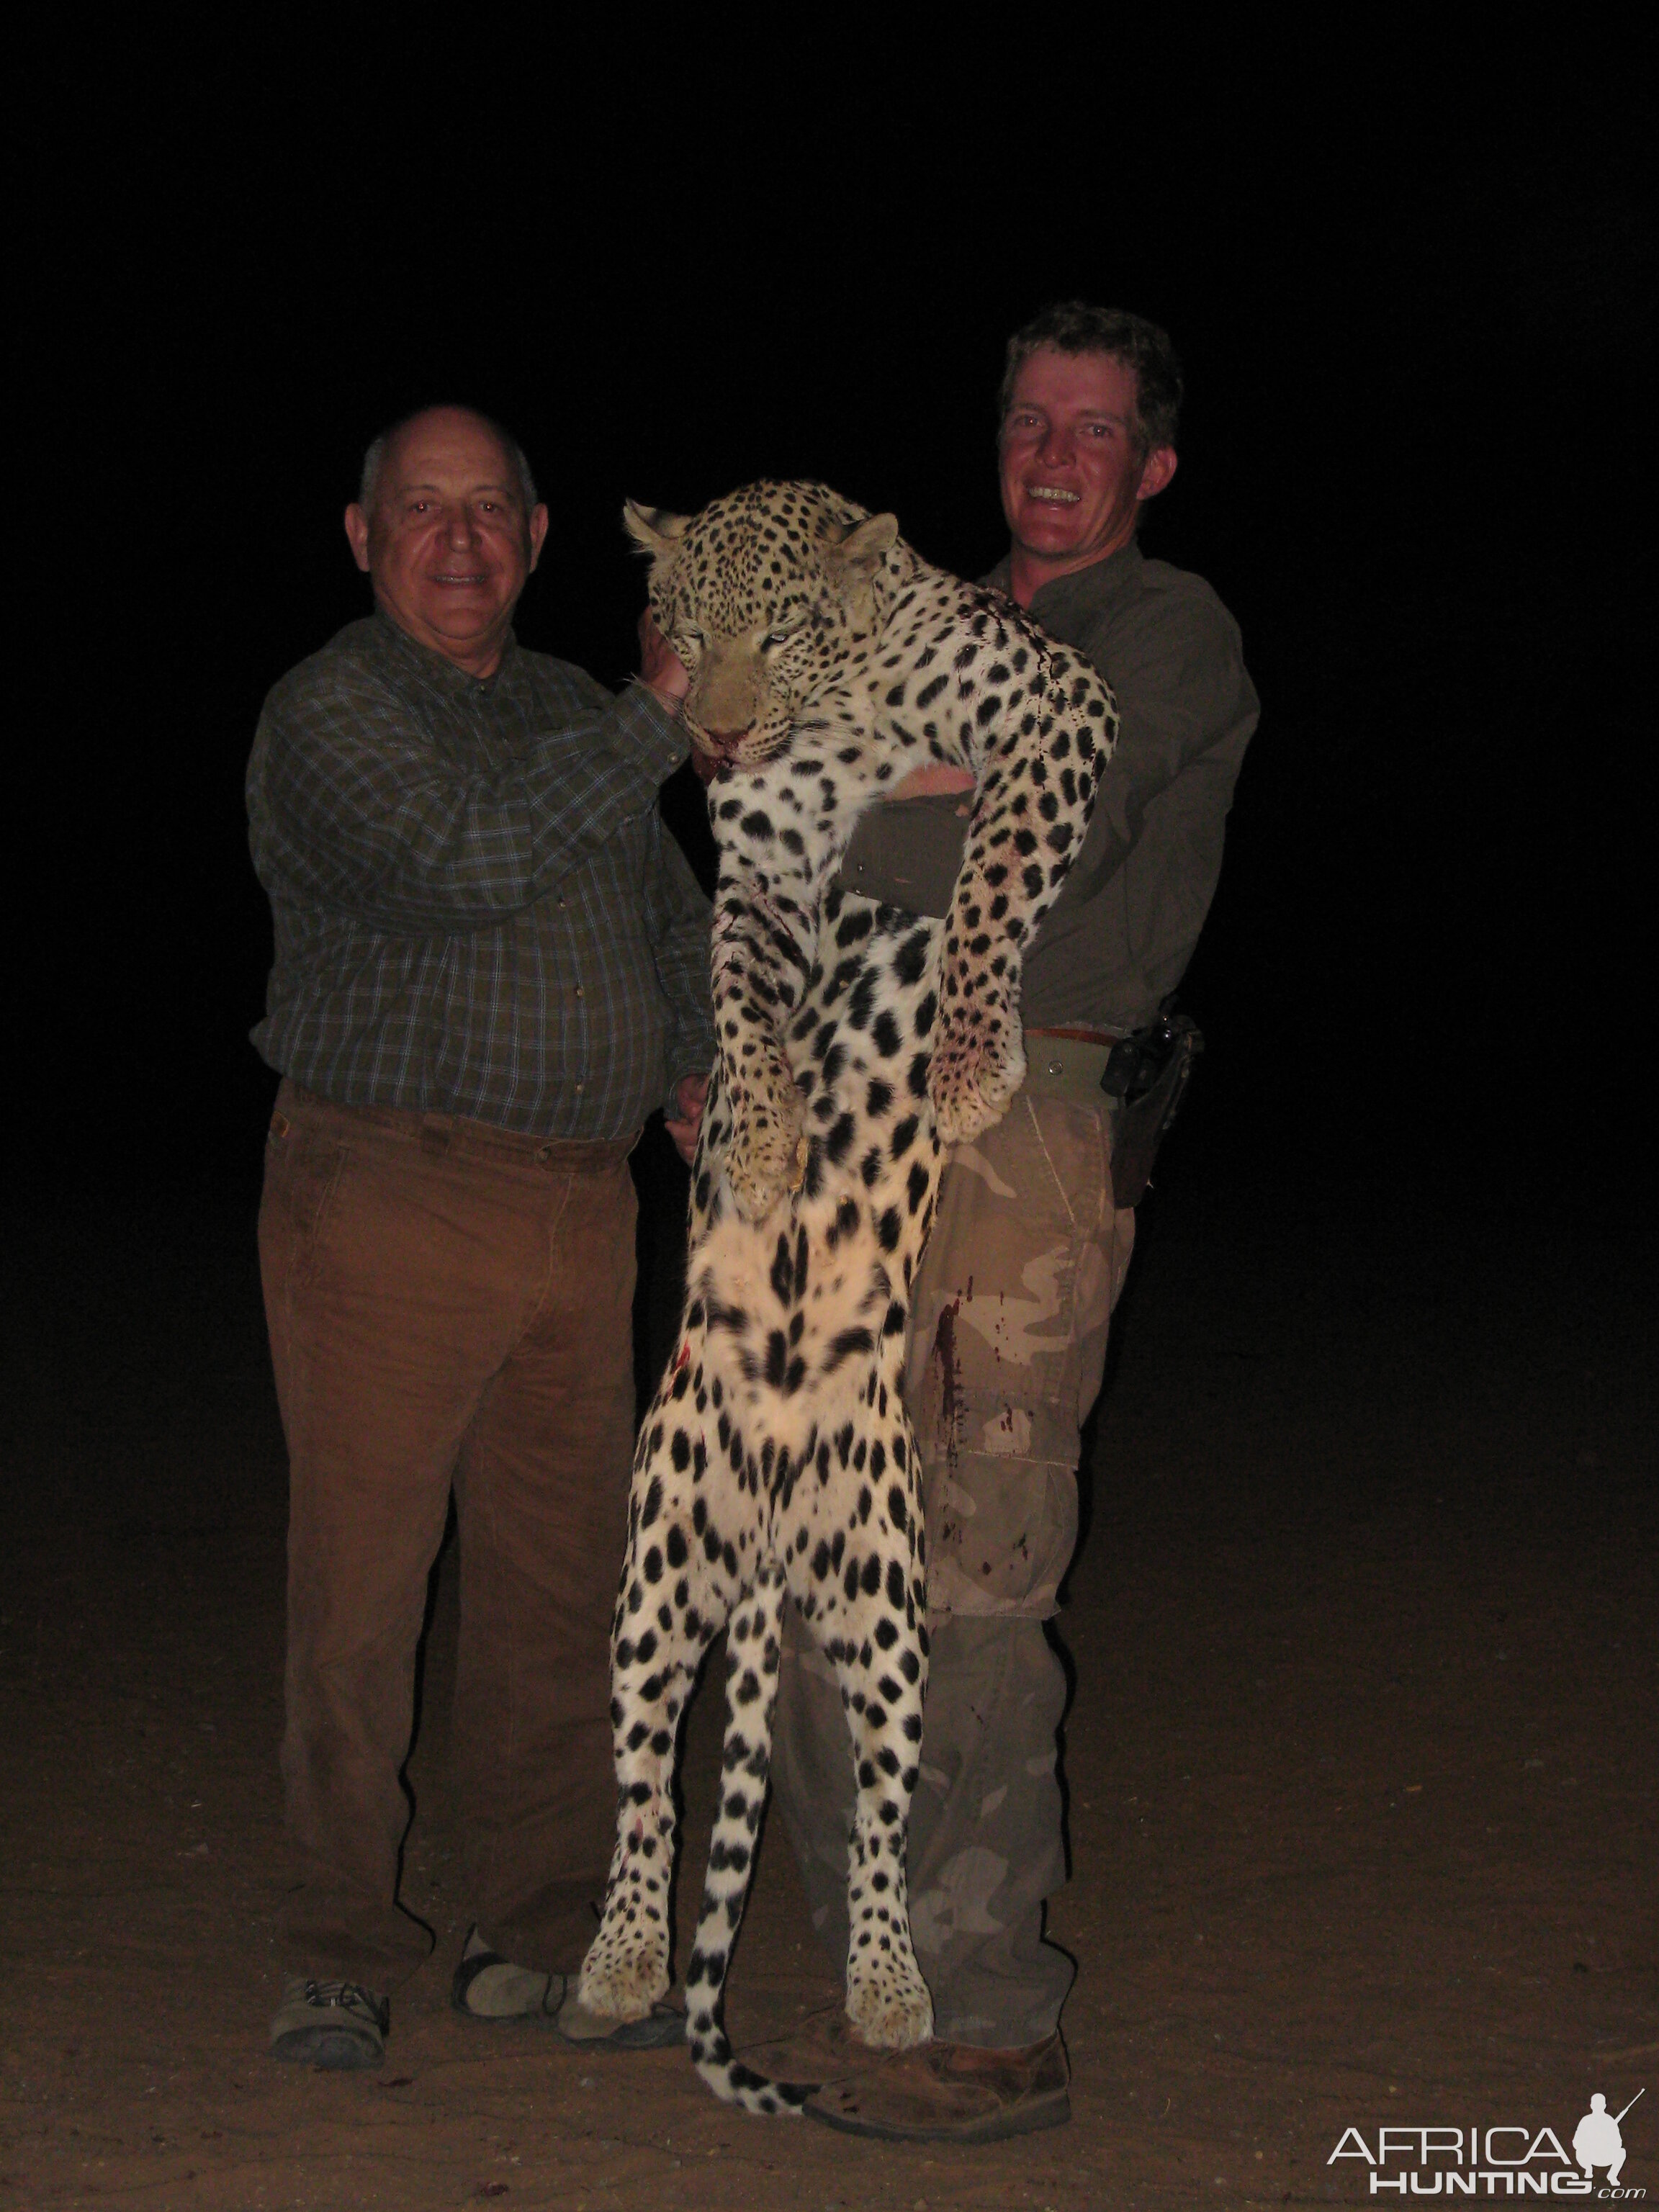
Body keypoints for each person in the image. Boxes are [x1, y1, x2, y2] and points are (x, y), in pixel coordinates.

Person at [765, 305, 1261, 2141]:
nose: (1055, 453)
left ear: (1154, 466)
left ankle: (992, 2017)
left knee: (969, 1578)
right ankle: (882, 1986)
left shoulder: (1170, 628)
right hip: (837, 1106)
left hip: (1020, 1122)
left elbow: (1022, 831)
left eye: (1098, 427)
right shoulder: (927, 624)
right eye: (1029, 420)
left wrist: (859, 781)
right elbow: (777, 828)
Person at [248, 405, 714, 2069]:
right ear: (361, 537)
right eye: (421, 511)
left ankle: (542, 1926)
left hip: (583, 1210)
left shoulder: (576, 712)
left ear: (537, 532)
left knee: (559, 1592)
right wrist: (660, 711)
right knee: (362, 1600)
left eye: (488, 510)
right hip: (388, 1192)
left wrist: (694, 1060)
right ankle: (333, 1946)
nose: (459, 540)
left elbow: (672, 920)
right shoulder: (331, 710)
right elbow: (463, 860)